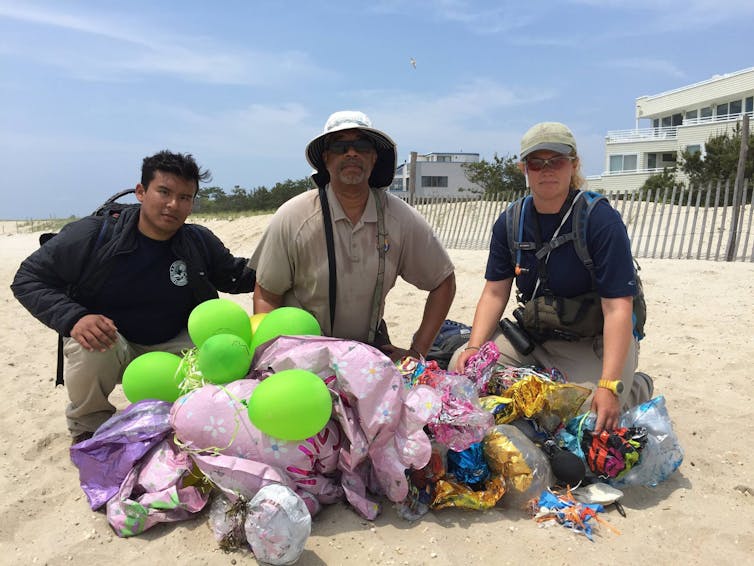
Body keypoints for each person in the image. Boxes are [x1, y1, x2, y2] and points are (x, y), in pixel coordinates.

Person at [11, 150, 256, 443]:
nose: (173, 205)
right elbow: (28, 278)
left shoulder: (198, 240)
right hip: (115, 343)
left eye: (185, 197)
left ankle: (193, 416)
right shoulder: (94, 234)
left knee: (225, 353)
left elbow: (235, 275)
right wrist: (74, 318)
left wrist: (284, 263)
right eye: (164, 192)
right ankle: (88, 427)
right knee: (88, 343)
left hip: (175, 346)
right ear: (141, 192)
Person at [452, 122, 652, 433]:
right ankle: (540, 385)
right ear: (524, 169)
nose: (547, 170)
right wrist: (474, 348)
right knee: (462, 372)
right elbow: (494, 293)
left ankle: (635, 387)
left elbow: (618, 308)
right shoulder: (510, 222)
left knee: (583, 415)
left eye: (556, 161)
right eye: (536, 162)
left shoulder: (600, 221)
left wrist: (611, 385)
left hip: (595, 341)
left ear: (573, 165)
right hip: (537, 337)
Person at [250, 110, 455, 361]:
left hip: (369, 349)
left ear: (374, 157)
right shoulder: (294, 217)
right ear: (326, 159)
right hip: (303, 352)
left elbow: (443, 281)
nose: (351, 153)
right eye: (340, 147)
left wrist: (417, 351)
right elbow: (267, 294)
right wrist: (272, 354)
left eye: (361, 145)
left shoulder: (399, 218)